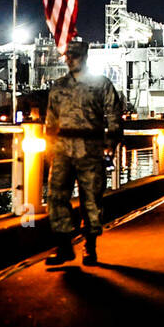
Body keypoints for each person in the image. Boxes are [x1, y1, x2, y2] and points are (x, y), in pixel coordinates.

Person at [42, 38, 126, 267]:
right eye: (68, 57)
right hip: (62, 149)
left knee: (91, 199)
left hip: (91, 149)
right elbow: (51, 119)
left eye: (75, 56)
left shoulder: (101, 84)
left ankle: (90, 246)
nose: (70, 61)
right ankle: (64, 246)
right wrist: (48, 147)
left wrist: (111, 142)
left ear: (85, 57)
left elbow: (113, 116)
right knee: (56, 196)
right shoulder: (59, 86)